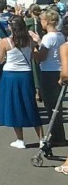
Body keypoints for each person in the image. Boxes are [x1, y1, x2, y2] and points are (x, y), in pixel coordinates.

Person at [0, 16, 44, 148]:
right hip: (26, 75)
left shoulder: (6, 41)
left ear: (10, 27)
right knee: (30, 106)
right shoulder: (30, 41)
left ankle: (20, 139)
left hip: (10, 75)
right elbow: (37, 58)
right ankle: (42, 139)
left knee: (13, 105)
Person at [33, 8, 65, 145]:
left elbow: (41, 57)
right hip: (57, 70)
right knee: (57, 105)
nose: (41, 22)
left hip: (48, 72)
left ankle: (57, 136)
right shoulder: (60, 36)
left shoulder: (48, 37)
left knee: (51, 105)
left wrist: (34, 48)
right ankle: (59, 135)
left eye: (41, 20)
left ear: (46, 21)